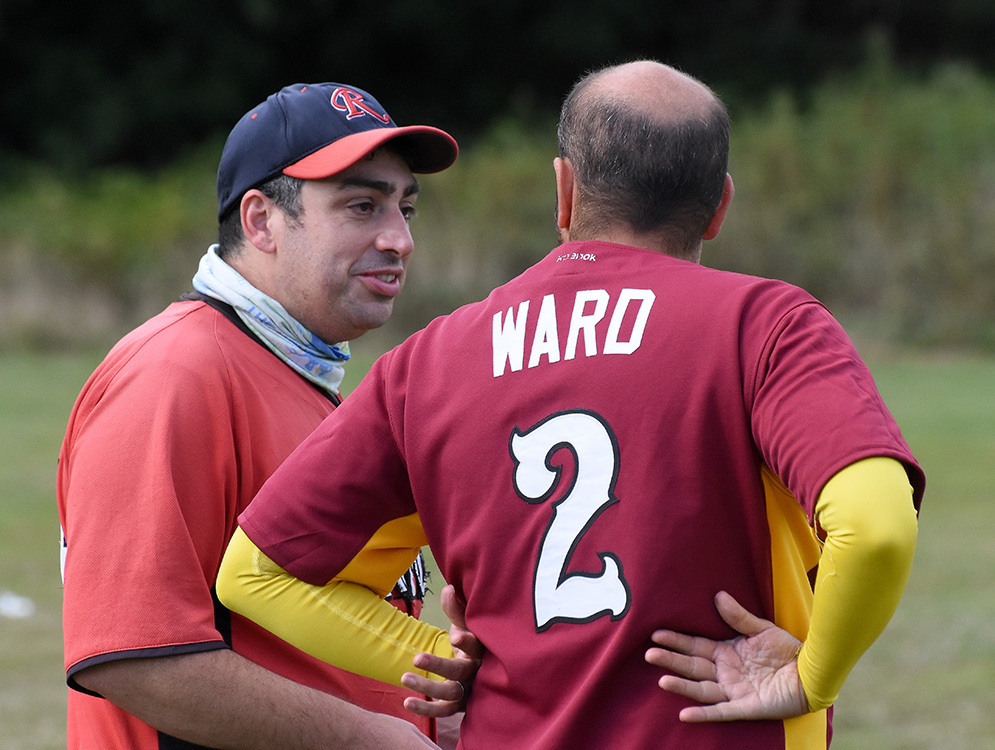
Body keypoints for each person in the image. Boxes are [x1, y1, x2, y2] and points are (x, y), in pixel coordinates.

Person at [217, 61, 925, 749]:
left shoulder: (426, 363)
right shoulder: (766, 325)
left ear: (564, 190)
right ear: (718, 207)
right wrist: (811, 676)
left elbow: (253, 573)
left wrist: (430, 653)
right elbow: (876, 529)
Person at [57, 80, 477, 750]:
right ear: (260, 221)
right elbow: (130, 657)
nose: (399, 239)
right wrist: (370, 738)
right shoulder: (175, 373)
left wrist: (430, 716)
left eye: (405, 209)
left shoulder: (297, 373)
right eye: (362, 206)